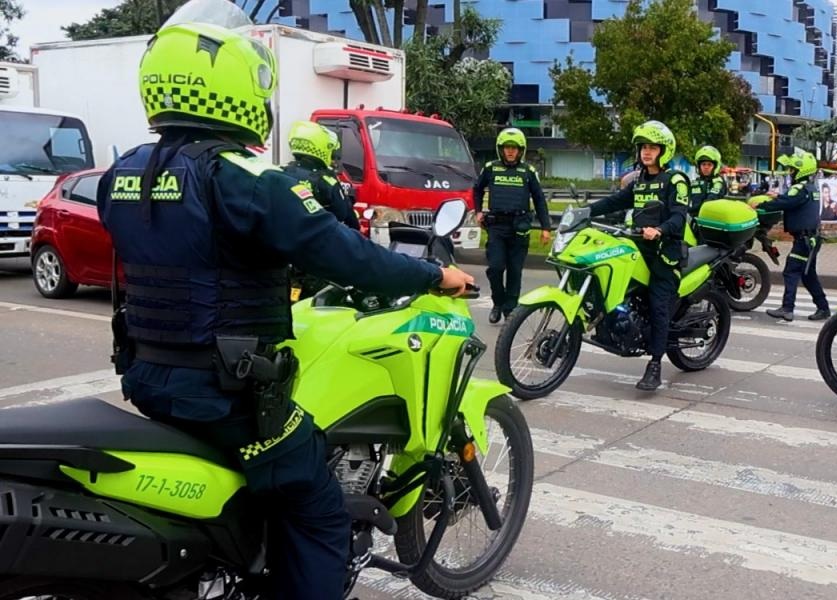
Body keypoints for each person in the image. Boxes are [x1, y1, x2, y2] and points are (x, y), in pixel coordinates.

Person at [97, 14, 474, 600]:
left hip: (146, 379)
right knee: (318, 505)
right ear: (238, 89)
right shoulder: (247, 179)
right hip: (229, 400)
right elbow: (348, 256)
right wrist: (432, 274)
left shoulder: (123, 175)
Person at [586, 120, 690, 391]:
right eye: (644, 147)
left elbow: (679, 217)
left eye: (652, 147)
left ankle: (655, 365)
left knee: (658, 307)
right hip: (639, 249)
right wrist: (585, 211)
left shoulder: (675, 180)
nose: (646, 152)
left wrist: (660, 230)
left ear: (664, 150)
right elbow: (615, 202)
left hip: (664, 254)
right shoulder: (639, 181)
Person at [474, 127, 552, 324]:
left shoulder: (528, 171)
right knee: (495, 268)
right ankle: (497, 303)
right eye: (507, 147)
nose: (510, 151)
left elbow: (539, 199)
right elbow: (477, 190)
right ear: (501, 149)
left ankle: (510, 309)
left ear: (521, 150)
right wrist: (478, 211)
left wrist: (545, 228)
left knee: (515, 271)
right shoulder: (491, 168)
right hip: (496, 227)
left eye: (514, 148)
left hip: (520, 226)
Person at [758, 148, 831, 322]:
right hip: (811, 239)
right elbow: (791, 199)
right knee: (808, 275)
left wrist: (761, 205)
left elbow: (785, 202)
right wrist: (778, 196)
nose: (791, 173)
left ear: (801, 170)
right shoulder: (810, 188)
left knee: (791, 271)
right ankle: (824, 308)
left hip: (804, 241)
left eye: (793, 170)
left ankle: (787, 308)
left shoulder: (799, 188)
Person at [283, 120, 359, 230]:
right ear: (322, 146)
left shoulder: (279, 171)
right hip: (315, 241)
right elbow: (344, 215)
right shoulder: (327, 181)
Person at [688, 145, 727, 217]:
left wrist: (691, 209)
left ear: (715, 166)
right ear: (699, 166)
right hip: (695, 219)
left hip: (712, 219)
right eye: (703, 164)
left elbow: (712, 197)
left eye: (709, 164)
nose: (706, 167)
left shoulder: (718, 181)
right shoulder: (695, 182)